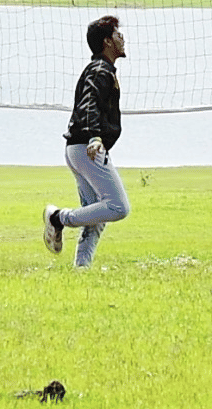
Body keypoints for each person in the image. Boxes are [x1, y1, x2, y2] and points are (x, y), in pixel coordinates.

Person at [43, 14, 130, 267]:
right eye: (117, 35)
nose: (122, 38)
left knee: (96, 216)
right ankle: (58, 218)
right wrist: (95, 136)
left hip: (80, 149)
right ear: (107, 42)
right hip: (86, 146)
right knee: (118, 207)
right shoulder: (100, 71)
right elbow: (89, 103)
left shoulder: (103, 70)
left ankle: (82, 267)